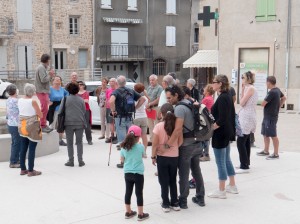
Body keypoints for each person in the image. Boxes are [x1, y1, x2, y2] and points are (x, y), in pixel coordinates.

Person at [165, 85, 205, 209]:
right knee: (196, 171)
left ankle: (183, 200)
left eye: (170, 97)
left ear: (177, 95)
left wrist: (168, 144)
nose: (168, 100)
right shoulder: (190, 102)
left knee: (183, 174)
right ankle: (200, 197)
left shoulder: (179, 108)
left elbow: (178, 130)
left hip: (186, 145)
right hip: (197, 142)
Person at [208, 75, 238, 199]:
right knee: (226, 159)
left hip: (221, 134)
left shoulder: (223, 98)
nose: (212, 84)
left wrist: (212, 127)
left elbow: (222, 118)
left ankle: (221, 190)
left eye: (214, 82)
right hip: (226, 133)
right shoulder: (227, 96)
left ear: (220, 83)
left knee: (220, 161)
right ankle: (232, 185)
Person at [152, 103, 183, 212]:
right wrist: (173, 148)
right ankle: (175, 202)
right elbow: (180, 142)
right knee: (173, 179)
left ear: (161, 114)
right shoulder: (177, 126)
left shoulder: (158, 126)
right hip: (174, 156)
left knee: (163, 181)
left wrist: (153, 156)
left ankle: (165, 203)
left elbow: (155, 144)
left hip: (162, 157)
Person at [110, 76, 146, 168]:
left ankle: (123, 161)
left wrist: (113, 111)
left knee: (122, 141)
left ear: (117, 83)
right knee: (131, 139)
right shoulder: (131, 91)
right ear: (125, 83)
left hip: (120, 118)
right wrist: (135, 108)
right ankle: (133, 160)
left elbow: (111, 101)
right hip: (130, 117)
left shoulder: (116, 91)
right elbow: (143, 99)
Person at [120, 125, 149, 221]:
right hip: (138, 174)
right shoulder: (140, 146)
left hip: (127, 173)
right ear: (138, 137)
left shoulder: (123, 147)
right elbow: (144, 156)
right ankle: (140, 214)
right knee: (139, 193)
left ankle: (128, 212)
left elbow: (122, 160)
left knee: (128, 192)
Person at [257, 76, 286, 159]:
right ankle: (266, 151)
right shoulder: (277, 90)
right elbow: (284, 98)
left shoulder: (272, 92)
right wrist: (278, 106)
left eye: (266, 82)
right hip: (268, 116)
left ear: (269, 82)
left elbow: (263, 104)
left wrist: (277, 107)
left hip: (270, 117)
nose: (266, 84)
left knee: (273, 135)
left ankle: (276, 154)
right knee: (265, 134)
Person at [59, 82, 87, 167]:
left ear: (68, 90)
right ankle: (80, 161)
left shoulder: (65, 99)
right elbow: (84, 111)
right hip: (80, 123)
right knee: (79, 142)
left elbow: (60, 111)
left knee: (70, 143)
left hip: (68, 123)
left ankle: (71, 160)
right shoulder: (81, 99)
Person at [18, 84, 43, 177]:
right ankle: (31, 170)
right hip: (32, 126)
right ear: (33, 92)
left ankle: (23, 169)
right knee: (32, 148)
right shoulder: (33, 101)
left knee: (23, 147)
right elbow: (40, 115)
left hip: (22, 125)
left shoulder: (19, 100)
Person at [236, 71, 258, 173]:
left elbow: (242, 102)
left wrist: (243, 89)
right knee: (246, 140)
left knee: (241, 141)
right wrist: (242, 89)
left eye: (243, 77)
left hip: (247, 116)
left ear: (248, 78)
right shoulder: (250, 88)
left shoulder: (250, 88)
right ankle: (245, 162)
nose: (241, 79)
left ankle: (244, 166)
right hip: (249, 115)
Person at [34, 53, 55, 133]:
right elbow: (43, 80)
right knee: (44, 108)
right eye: (49, 59)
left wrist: (50, 75)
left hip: (43, 91)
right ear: (47, 60)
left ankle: (43, 124)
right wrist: (50, 75)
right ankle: (42, 125)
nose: (50, 61)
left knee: (45, 108)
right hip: (41, 91)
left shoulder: (43, 67)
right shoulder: (41, 68)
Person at [48, 76, 68, 146]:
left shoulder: (62, 89)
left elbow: (67, 94)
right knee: (52, 125)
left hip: (61, 109)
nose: (58, 80)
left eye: (59, 79)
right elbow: (45, 96)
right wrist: (48, 101)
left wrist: (65, 100)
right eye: (56, 79)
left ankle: (60, 140)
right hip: (53, 109)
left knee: (60, 125)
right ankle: (50, 140)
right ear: (53, 81)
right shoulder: (50, 89)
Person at [6, 84, 21, 168]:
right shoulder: (16, 101)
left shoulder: (8, 100)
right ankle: (13, 162)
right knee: (17, 143)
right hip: (16, 125)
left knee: (14, 143)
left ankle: (15, 159)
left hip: (10, 124)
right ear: (15, 91)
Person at [146, 74, 163, 146]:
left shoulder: (159, 88)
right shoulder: (149, 88)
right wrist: (148, 106)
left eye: (153, 80)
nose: (151, 81)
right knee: (150, 125)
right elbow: (147, 97)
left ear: (156, 80)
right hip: (149, 108)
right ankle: (152, 140)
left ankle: (157, 140)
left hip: (156, 108)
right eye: (150, 80)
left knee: (157, 124)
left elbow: (158, 99)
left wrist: (150, 104)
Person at [200, 84, 215, 162]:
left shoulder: (206, 99)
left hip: (205, 119)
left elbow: (201, 108)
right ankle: (205, 154)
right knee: (207, 137)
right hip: (209, 119)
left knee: (204, 137)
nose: (203, 90)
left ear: (208, 91)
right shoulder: (211, 98)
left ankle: (205, 154)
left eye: (205, 89)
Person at [133, 83, 148, 156]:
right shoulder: (145, 98)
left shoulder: (134, 97)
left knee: (136, 135)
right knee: (144, 135)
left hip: (136, 117)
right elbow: (148, 100)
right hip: (144, 116)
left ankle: (137, 151)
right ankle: (144, 152)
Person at [77, 81, 93, 145]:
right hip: (78, 111)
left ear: (83, 85)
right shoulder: (75, 93)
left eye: (81, 84)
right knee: (78, 126)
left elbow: (86, 101)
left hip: (86, 110)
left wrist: (78, 100)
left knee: (87, 126)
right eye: (78, 84)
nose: (80, 85)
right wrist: (82, 100)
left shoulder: (86, 93)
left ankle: (89, 140)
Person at [105, 78, 118, 144]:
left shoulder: (117, 90)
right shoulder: (108, 90)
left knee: (117, 122)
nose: (111, 82)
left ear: (116, 82)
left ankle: (117, 136)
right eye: (110, 81)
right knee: (110, 122)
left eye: (113, 81)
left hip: (116, 108)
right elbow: (107, 98)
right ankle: (112, 135)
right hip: (108, 108)